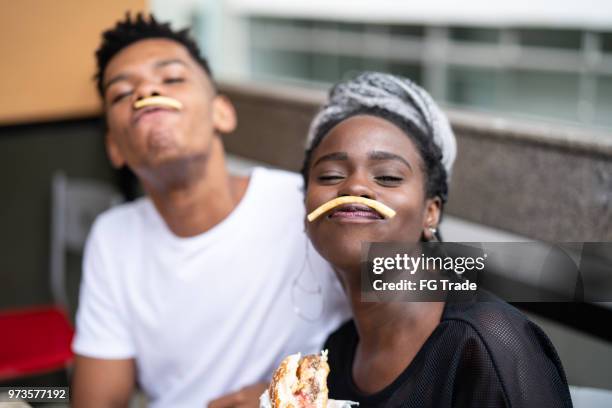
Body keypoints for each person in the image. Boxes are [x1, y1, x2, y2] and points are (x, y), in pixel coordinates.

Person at [71, 13, 349, 408]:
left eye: (171, 79)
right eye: (121, 94)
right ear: (113, 147)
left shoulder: (307, 201)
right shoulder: (113, 237)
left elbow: (454, 283)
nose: (146, 93)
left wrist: (292, 395)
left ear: (222, 112)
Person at [302, 72, 573, 407]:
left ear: (430, 213)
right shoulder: (336, 357)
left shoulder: (487, 344)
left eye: (387, 176)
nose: (355, 188)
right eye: (330, 176)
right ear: (307, 208)